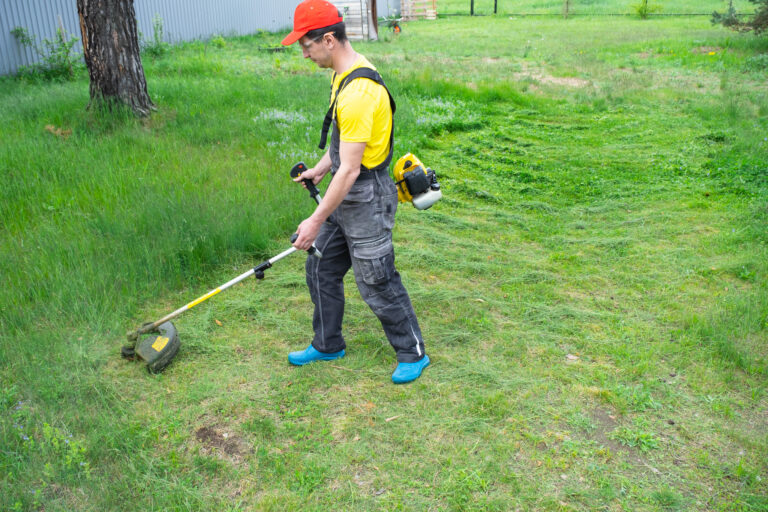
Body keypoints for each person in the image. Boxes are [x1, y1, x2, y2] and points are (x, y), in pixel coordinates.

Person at [281, 0, 429, 384]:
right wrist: (318, 169)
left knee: (376, 279)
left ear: (328, 39)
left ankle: (412, 352)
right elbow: (346, 150)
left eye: (306, 44)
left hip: (366, 196)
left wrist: (315, 219)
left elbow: (350, 169)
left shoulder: (358, 93)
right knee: (321, 266)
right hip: (346, 188)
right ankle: (328, 343)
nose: (304, 52)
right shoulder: (343, 73)